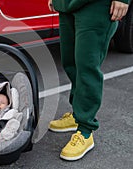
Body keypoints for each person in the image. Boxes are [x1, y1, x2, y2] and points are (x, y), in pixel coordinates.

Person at [47, 0, 129, 161]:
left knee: (87, 68)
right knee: (70, 63)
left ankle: (85, 129)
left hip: (96, 5)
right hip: (67, 4)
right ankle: (78, 114)